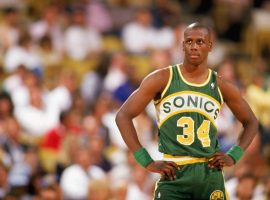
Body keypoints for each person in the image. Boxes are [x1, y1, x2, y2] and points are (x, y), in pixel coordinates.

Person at [115, 22, 258, 200]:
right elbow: (123, 116)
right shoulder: (162, 78)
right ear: (182, 45)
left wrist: (233, 156)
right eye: (189, 41)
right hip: (174, 173)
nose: (194, 46)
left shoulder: (221, 85)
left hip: (209, 174)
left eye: (200, 42)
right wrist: (146, 161)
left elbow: (251, 122)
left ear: (210, 46)